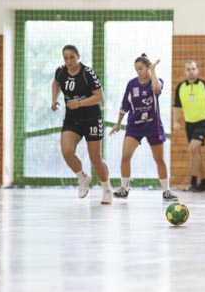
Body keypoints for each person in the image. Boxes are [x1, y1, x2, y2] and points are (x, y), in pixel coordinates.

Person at [109, 54, 178, 201]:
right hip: (134, 126)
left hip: (153, 125)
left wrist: (153, 70)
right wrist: (118, 123)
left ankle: (166, 191)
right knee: (125, 156)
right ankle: (124, 189)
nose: (138, 71)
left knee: (159, 159)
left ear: (147, 67)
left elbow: (156, 88)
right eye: (136, 69)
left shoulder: (156, 80)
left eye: (141, 68)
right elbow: (124, 106)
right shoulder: (131, 84)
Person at [51, 44, 113, 204]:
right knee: (67, 151)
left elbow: (100, 97)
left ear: (78, 56)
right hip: (72, 120)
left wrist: (79, 103)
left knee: (95, 158)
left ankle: (106, 188)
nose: (69, 61)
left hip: (91, 119)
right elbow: (56, 83)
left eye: (72, 57)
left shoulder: (87, 73)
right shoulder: (60, 71)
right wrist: (54, 99)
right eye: (66, 58)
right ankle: (82, 177)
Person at [173, 60, 205, 192]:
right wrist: (175, 121)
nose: (191, 72)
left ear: (197, 70)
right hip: (189, 123)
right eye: (188, 69)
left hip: (204, 121)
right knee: (196, 152)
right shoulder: (180, 87)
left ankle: (193, 181)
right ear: (185, 72)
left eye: (193, 69)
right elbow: (177, 106)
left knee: (193, 148)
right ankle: (204, 183)